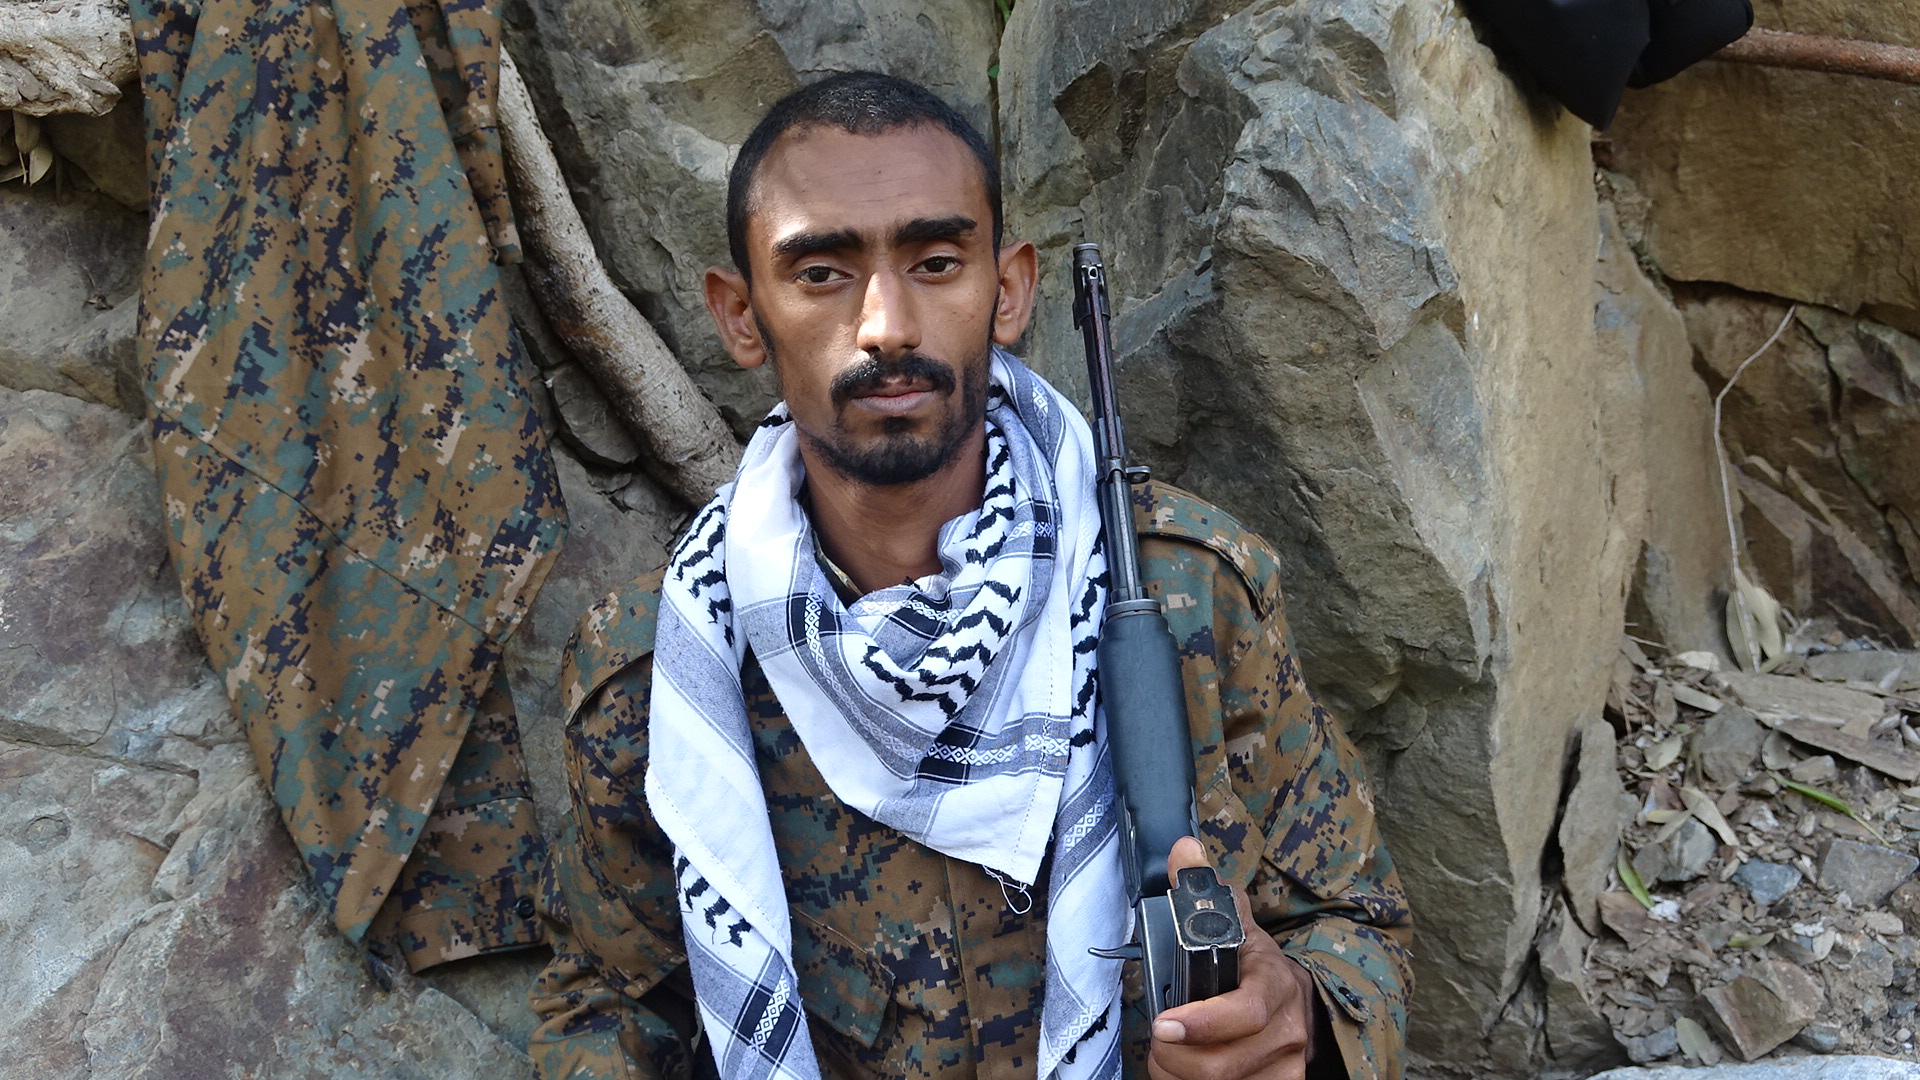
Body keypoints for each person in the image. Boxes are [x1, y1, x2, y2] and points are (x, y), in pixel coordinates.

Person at [527, 71, 1413, 1080]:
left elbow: (1359, 926)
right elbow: (601, 1007)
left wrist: (1293, 1017)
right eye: (821, 273)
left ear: (1010, 290)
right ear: (739, 315)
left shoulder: (1190, 594)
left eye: (937, 262)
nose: (887, 325)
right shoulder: (668, 667)